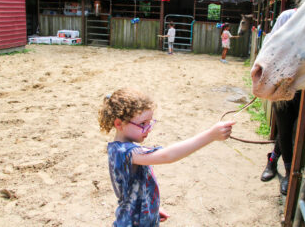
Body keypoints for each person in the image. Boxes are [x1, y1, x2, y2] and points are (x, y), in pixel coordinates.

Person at [98, 87, 235, 226]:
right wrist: (211, 135)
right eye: (142, 124)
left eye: (149, 122)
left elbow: (138, 187)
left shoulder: (127, 149)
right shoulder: (125, 152)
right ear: (119, 124)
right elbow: (167, 156)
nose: (149, 128)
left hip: (144, 217)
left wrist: (152, 207)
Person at [260, 0, 305, 195]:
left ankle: (272, 159)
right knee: (286, 127)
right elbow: (270, 44)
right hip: (286, 82)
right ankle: (288, 173)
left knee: (294, 127)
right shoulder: (288, 17)